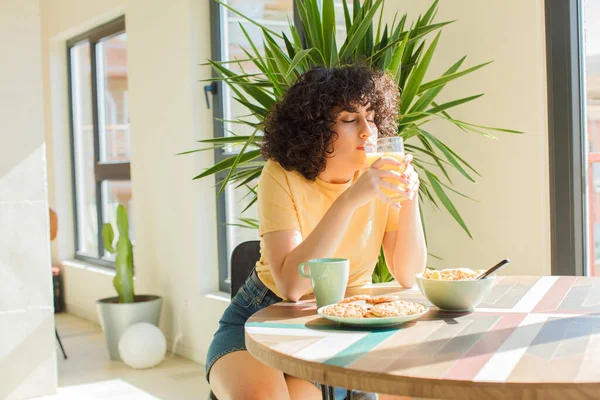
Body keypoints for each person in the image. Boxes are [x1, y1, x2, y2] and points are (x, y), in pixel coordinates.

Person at [206, 64, 427, 400]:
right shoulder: (281, 174)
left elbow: (409, 274)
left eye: (371, 116)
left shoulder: (380, 173)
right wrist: (350, 200)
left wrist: (409, 199)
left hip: (342, 322)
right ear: (316, 128)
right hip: (260, 318)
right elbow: (293, 286)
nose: (368, 131)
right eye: (350, 119)